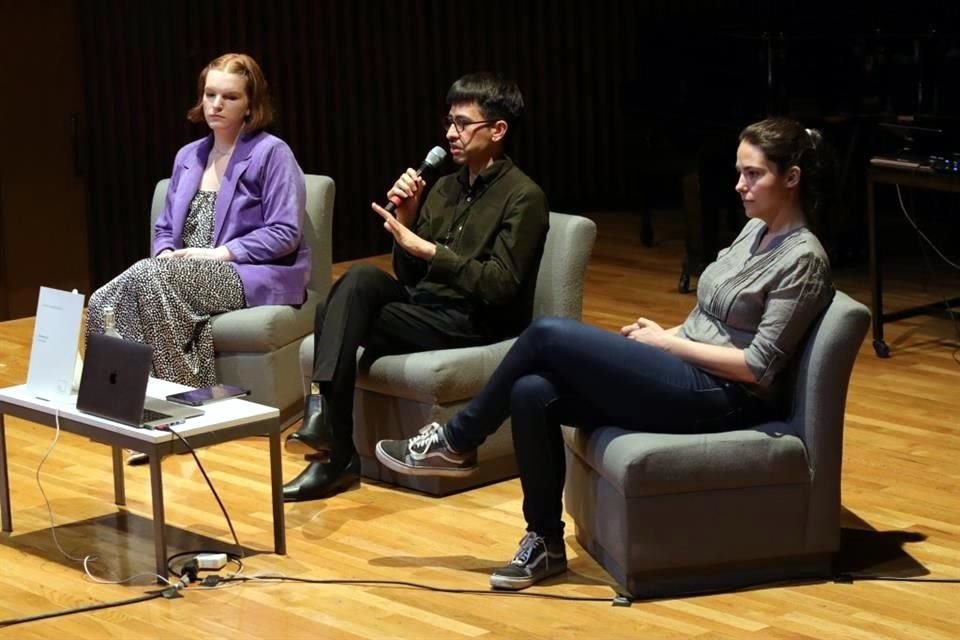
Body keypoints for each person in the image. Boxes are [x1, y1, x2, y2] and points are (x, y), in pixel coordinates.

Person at [375, 117, 836, 590]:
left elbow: (758, 368)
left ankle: (457, 440)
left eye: (754, 174)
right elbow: (711, 319)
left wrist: (666, 343)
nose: (740, 185)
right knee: (533, 392)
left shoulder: (803, 259)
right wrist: (669, 331)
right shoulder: (753, 232)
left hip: (726, 394)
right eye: (739, 172)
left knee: (547, 334)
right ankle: (544, 544)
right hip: (688, 367)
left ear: (792, 178)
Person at [282, 72, 550, 503]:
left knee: (334, 309)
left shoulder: (524, 197)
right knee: (356, 282)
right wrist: (405, 223)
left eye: (463, 124)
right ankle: (331, 436)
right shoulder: (443, 187)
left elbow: (500, 285)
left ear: (498, 130)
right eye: (449, 122)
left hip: (471, 320)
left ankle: (331, 440)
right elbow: (409, 277)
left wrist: (429, 252)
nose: (450, 134)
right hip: (424, 308)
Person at [87, 53, 308, 462]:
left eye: (229, 96)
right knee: (102, 300)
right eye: (210, 94)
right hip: (179, 271)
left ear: (251, 105)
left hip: (245, 272)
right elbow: (165, 227)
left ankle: (180, 416)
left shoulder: (271, 153)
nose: (216, 104)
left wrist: (219, 254)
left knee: (150, 277)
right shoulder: (188, 156)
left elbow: (285, 232)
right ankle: (128, 415)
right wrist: (168, 253)